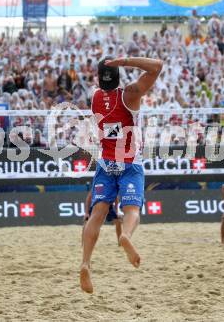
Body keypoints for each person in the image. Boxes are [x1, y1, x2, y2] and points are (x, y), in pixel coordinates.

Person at [80, 56, 163, 293]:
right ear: (118, 75)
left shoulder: (95, 97)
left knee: (96, 213)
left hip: (106, 163)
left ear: (99, 77)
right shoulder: (129, 94)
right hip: (129, 162)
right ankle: (125, 235)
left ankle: (85, 262)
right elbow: (157, 67)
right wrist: (125, 61)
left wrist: (109, 68)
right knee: (132, 210)